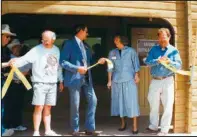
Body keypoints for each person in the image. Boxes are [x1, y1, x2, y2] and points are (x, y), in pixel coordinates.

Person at [8, 30, 64, 136]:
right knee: (39, 106)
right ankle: (36, 131)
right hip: (39, 82)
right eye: (43, 39)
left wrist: (60, 80)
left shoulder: (56, 50)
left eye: (47, 40)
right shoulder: (36, 50)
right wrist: (14, 62)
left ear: (53, 39)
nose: (45, 42)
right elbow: (25, 59)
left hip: (52, 83)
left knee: (48, 107)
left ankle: (48, 130)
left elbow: (58, 66)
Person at [60, 24, 105, 136]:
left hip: (87, 78)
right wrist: (77, 69)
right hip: (74, 78)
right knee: (75, 104)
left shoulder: (86, 46)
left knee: (93, 101)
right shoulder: (69, 44)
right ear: (80, 31)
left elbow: (90, 61)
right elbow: (63, 62)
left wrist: (99, 61)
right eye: (86, 31)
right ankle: (75, 129)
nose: (87, 34)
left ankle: (90, 129)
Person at [144, 28, 182, 136]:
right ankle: (153, 126)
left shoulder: (174, 50)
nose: (162, 40)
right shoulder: (154, 49)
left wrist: (170, 62)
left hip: (168, 80)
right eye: (160, 37)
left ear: (169, 37)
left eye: (164, 37)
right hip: (155, 80)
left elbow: (179, 66)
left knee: (168, 104)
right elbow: (147, 62)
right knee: (153, 103)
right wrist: (157, 61)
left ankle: (164, 129)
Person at [107, 35, 140, 134]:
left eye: (116, 40)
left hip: (129, 80)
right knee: (120, 103)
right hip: (116, 81)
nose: (115, 42)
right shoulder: (112, 52)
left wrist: (137, 75)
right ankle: (123, 123)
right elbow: (110, 67)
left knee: (132, 102)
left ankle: (135, 126)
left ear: (122, 41)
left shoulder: (131, 51)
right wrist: (109, 80)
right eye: (114, 40)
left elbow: (136, 65)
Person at [3, 39, 31, 131]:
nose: (17, 49)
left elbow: (27, 71)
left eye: (18, 47)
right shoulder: (8, 59)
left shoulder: (23, 59)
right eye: (15, 47)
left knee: (18, 105)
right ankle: (7, 126)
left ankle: (17, 124)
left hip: (20, 85)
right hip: (10, 84)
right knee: (8, 106)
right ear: (12, 49)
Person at [1, 24, 16, 136]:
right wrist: (8, 63)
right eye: (6, 36)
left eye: (9, 37)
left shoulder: (5, 49)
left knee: (2, 106)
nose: (8, 39)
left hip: (4, 81)